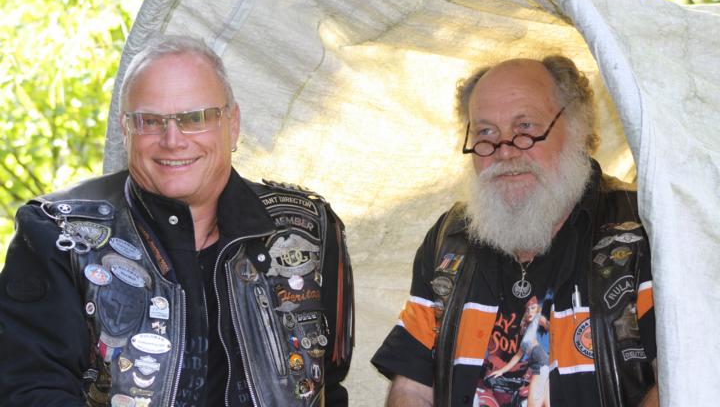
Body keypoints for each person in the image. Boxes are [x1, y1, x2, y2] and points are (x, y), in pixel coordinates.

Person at [0, 35, 353, 406]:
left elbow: (327, 388)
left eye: (194, 118)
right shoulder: (58, 233)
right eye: (150, 121)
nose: (172, 140)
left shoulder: (309, 228)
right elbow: (30, 391)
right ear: (125, 129)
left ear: (232, 124)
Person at [371, 56, 658, 407]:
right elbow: (413, 388)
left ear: (577, 127)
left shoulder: (644, 231)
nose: (505, 151)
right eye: (486, 133)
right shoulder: (449, 239)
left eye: (525, 127)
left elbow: (682, 378)